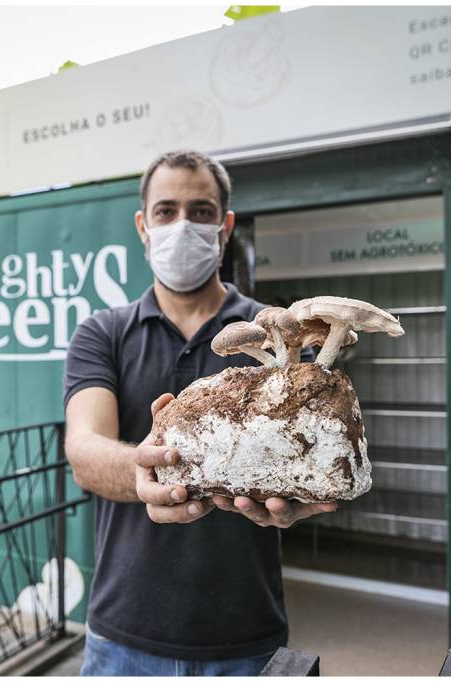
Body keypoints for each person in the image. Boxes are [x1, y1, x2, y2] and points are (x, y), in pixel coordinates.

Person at [63, 149, 337, 677]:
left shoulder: (277, 333)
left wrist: (302, 495)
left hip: (245, 634)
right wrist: (146, 469)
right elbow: (84, 448)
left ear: (225, 226)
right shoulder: (103, 333)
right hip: (123, 636)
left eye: (201, 211)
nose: (182, 225)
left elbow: (307, 445)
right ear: (144, 226)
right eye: (166, 211)